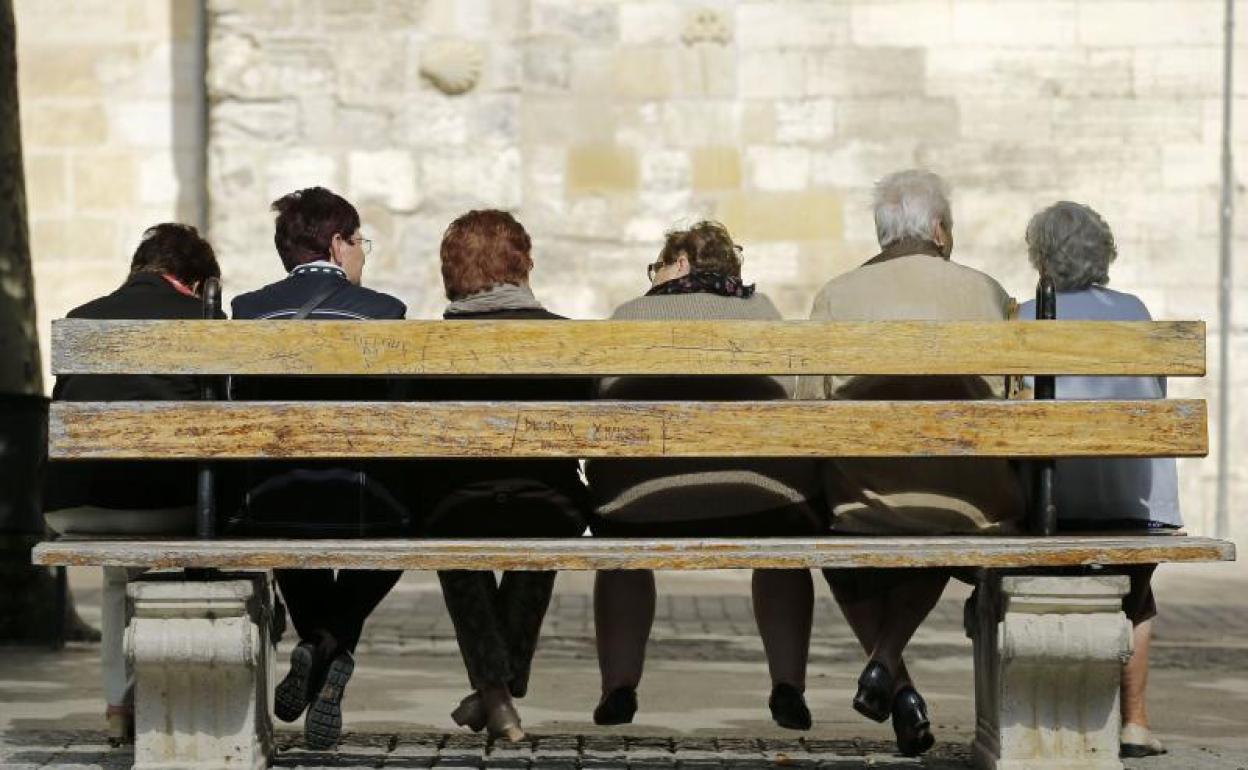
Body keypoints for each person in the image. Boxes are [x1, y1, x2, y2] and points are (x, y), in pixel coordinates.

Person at [796, 170, 1024, 756]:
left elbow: (806, 411)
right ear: (940, 230)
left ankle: (893, 679)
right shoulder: (987, 292)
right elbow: (1017, 399)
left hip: (865, 504)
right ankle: (886, 665)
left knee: (854, 538)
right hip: (972, 503)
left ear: (882, 236)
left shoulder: (837, 295)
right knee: (942, 512)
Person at [586, 221, 824, 730]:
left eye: (659, 265)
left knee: (621, 558)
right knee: (783, 553)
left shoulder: (629, 316)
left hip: (638, 505)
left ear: (680, 265)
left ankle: (619, 687)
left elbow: (599, 404)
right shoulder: (765, 315)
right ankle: (787, 684)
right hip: (763, 501)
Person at [230, 187, 409, 750]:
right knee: (403, 525)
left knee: (286, 519)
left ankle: (314, 642)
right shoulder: (384, 313)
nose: (362, 255)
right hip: (361, 497)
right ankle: (327, 643)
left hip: (270, 500)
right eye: (360, 243)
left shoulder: (247, 311)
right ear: (337, 244)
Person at [42, 223, 224, 742]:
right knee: (209, 526)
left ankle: (119, 705)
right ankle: (195, 691)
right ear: (195, 281)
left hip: (73, 505)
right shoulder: (205, 320)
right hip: (167, 505)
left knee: (119, 569)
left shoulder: (81, 319)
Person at [416, 210, 589, 742]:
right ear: (523, 264)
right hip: (549, 503)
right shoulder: (568, 341)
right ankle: (499, 690)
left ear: (453, 271)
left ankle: (494, 695)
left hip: (456, 505)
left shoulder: (424, 350)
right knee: (541, 532)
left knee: (454, 541)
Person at [1019, 201, 1178, 759]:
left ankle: (1042, 723)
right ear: (1104, 253)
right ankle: (1134, 723)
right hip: (1138, 509)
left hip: (1047, 511)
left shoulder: (1022, 315)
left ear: (1040, 256)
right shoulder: (1136, 312)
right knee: (1136, 595)